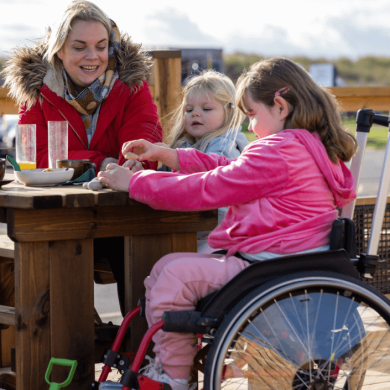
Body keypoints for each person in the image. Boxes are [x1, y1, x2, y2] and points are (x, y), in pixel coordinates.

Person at [101, 57, 359, 389]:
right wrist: (171, 155)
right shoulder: (310, 146)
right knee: (167, 265)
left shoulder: (277, 152)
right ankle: (172, 368)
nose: (250, 126)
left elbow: (210, 187)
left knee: (174, 275)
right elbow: (229, 169)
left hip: (268, 269)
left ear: (279, 106)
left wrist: (134, 183)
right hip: (293, 264)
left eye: (252, 115)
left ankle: (175, 377)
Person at [0, 2, 162, 387]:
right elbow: (38, 153)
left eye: (101, 45)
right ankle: (57, 362)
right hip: (58, 217)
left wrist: (127, 159)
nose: (93, 56)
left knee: (136, 248)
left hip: (117, 217)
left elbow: (144, 144)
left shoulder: (132, 85)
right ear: (58, 49)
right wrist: (102, 160)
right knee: (43, 253)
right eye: (80, 47)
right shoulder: (37, 89)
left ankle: (139, 362)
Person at [129, 69, 248, 252]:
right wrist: (143, 171)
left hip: (217, 236)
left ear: (230, 113)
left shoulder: (225, 146)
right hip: (194, 229)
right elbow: (169, 176)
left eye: (206, 108)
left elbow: (202, 179)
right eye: (189, 109)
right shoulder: (186, 144)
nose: (196, 114)